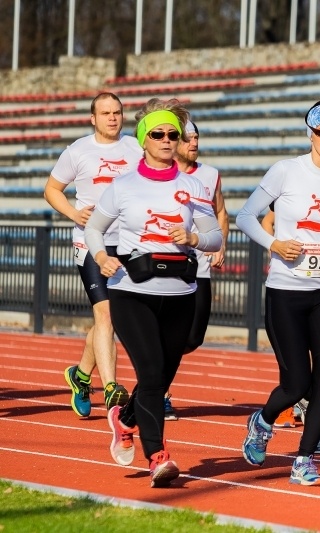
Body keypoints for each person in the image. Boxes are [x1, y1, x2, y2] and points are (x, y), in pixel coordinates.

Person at [85, 98, 222, 487]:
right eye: (158, 134)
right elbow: (94, 228)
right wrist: (101, 255)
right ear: (144, 140)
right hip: (132, 291)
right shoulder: (123, 185)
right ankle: (158, 456)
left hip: (181, 292)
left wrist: (194, 236)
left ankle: (124, 419)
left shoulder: (193, 186)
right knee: (150, 372)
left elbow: (214, 237)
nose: (166, 139)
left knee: (160, 379)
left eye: (172, 134)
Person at [237, 98, 320, 486]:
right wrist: (273, 244)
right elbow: (246, 216)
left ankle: (303, 459)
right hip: (286, 291)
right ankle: (262, 422)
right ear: (311, 134)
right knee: (296, 384)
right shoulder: (286, 171)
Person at [44, 92, 139, 417]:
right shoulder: (78, 151)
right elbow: (51, 189)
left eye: (117, 111)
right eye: (105, 113)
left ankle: (81, 375)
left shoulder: (136, 147)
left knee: (112, 318)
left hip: (127, 243)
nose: (112, 117)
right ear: (93, 118)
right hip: (90, 243)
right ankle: (111, 386)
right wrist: (73, 214)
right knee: (106, 315)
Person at [163, 119, 229, 421]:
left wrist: (221, 245)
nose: (194, 143)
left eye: (197, 138)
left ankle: (154, 375)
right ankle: (158, 391)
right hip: (168, 265)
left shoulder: (210, 174)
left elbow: (221, 212)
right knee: (169, 332)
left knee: (193, 338)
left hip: (199, 267)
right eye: (188, 138)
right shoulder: (162, 174)